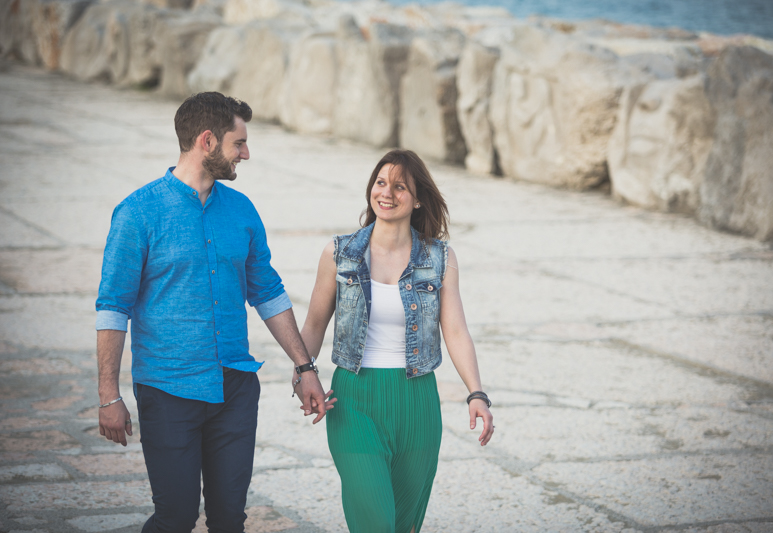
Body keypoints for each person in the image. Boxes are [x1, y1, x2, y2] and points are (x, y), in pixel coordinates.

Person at [95, 91, 333, 533]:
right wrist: (109, 395)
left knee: (229, 519)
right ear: (207, 141)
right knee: (176, 517)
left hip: (235, 389)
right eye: (238, 143)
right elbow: (113, 307)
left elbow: (268, 293)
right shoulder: (137, 213)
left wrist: (305, 367)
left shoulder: (241, 210)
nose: (246, 153)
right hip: (168, 389)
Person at [299, 149, 494, 533]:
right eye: (381, 182)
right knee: (374, 521)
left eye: (400, 186)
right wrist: (303, 374)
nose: (386, 193)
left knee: (404, 524)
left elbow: (455, 330)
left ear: (418, 198)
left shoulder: (439, 258)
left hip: (417, 403)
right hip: (353, 399)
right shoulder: (339, 253)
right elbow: (314, 324)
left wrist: (477, 393)